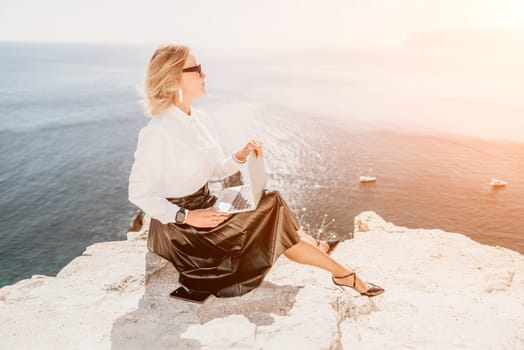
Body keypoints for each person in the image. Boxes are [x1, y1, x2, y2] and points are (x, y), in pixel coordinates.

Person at [128, 44, 385, 302]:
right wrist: (187, 216)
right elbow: (138, 192)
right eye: (197, 69)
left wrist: (240, 156)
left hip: (207, 207)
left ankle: (332, 262)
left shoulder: (200, 120)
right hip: (184, 231)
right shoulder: (157, 133)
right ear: (174, 78)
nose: (204, 75)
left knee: (267, 200)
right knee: (271, 205)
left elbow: (217, 168)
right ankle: (343, 273)